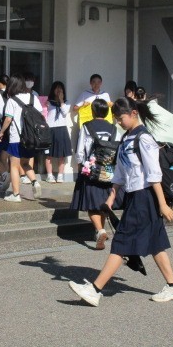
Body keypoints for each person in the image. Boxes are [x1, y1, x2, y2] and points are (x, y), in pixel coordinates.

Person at [68, 97, 173, 306]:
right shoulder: (126, 139)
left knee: (122, 241)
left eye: (120, 118)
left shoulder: (144, 139)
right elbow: (121, 172)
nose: (118, 122)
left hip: (145, 196)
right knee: (155, 242)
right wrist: (112, 196)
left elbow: (154, 174)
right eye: (116, 118)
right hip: (134, 196)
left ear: (133, 114)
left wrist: (162, 204)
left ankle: (95, 290)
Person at [70, 99, 122, 249]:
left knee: (91, 204)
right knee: (103, 203)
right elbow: (118, 150)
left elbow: (81, 150)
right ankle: (100, 232)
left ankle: (100, 230)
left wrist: (80, 165)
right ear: (107, 112)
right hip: (108, 171)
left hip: (91, 169)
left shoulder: (87, 126)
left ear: (92, 111)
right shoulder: (113, 128)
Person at [0, 74, 43, 202]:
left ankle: (16, 194)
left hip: (16, 138)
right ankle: (35, 182)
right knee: (25, 163)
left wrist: (1, 132)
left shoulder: (12, 100)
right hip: (31, 138)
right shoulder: (33, 98)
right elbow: (41, 116)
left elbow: (8, 119)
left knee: (14, 166)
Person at [44, 81, 72, 183]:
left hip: (61, 129)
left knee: (61, 154)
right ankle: (49, 175)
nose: (58, 90)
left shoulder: (66, 102)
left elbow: (64, 112)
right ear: (53, 90)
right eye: (56, 88)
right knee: (49, 154)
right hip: (50, 129)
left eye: (60, 88)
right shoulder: (48, 102)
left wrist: (61, 100)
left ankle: (60, 175)